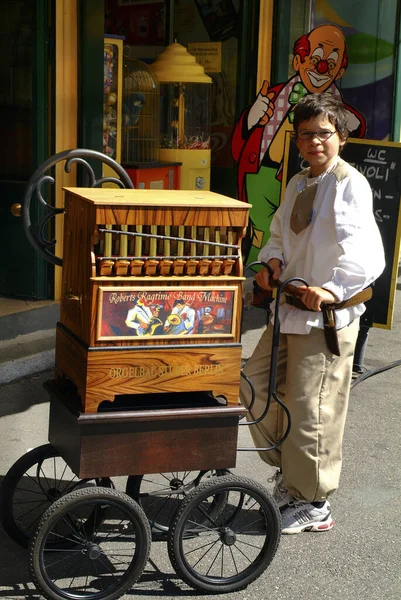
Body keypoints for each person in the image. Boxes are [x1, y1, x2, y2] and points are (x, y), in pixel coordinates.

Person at [239, 93, 385, 534]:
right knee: (253, 383)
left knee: (312, 408)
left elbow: (366, 251)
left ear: (340, 136)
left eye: (324, 133)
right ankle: (291, 475)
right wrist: (272, 262)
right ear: (297, 141)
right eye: (306, 134)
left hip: (325, 319)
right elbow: (280, 231)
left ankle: (314, 502)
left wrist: (332, 288)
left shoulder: (349, 182)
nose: (315, 141)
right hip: (287, 311)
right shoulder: (300, 181)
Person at [231, 24, 365, 265]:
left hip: (307, 176)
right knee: (263, 233)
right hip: (262, 174)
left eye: (330, 64)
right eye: (315, 58)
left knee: (302, 235)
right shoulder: (271, 96)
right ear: (298, 62)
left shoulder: (341, 115)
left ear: (339, 72)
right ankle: (259, 277)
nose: (321, 67)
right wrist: (252, 119)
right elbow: (239, 144)